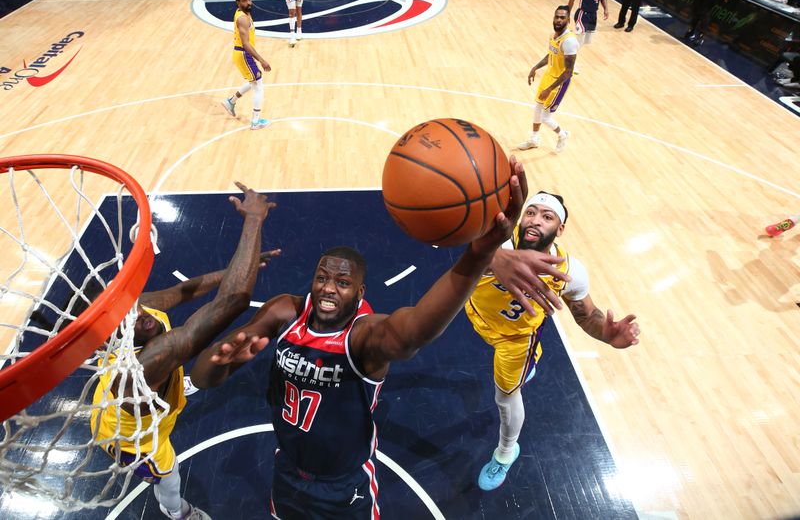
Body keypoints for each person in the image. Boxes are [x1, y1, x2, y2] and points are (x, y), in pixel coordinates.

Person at [191, 158, 571, 518]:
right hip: (287, 470)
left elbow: (416, 330)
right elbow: (206, 379)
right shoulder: (283, 312)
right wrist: (220, 363)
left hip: (343, 486)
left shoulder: (365, 336)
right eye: (323, 278)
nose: (328, 289)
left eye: (342, 283)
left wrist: (478, 255)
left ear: (360, 294)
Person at [91, 183, 276, 520]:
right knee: (169, 474)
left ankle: (176, 388)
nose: (139, 314)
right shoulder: (146, 364)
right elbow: (233, 301)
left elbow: (182, 291)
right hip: (136, 440)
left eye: (129, 306)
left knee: (173, 368)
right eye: (124, 320)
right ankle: (177, 512)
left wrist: (241, 264)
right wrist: (253, 221)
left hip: (148, 391)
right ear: (110, 340)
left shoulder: (139, 313)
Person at [465, 191, 641, 491]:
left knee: (505, 397)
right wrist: (493, 256)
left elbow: (587, 315)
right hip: (476, 314)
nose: (535, 221)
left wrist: (607, 334)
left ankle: (505, 453)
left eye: (547, 217)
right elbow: (463, 239)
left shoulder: (569, 271)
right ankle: (525, 371)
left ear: (560, 230)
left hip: (516, 340)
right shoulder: (497, 244)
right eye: (530, 213)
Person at [517, 6, 578, 154]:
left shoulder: (569, 41)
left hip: (560, 82)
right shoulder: (553, 35)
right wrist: (535, 67)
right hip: (549, 76)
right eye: (557, 16)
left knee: (545, 117)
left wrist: (549, 88)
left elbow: (569, 71)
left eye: (562, 17)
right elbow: (551, 54)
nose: (558, 19)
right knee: (537, 108)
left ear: (568, 20)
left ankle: (562, 135)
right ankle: (534, 139)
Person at [221, 0, 272, 129]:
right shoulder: (243, 18)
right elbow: (246, 44)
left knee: (254, 80)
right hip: (244, 54)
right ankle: (255, 122)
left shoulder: (244, 12)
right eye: (244, 0)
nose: (248, 2)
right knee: (258, 85)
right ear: (238, 3)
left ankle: (231, 101)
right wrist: (262, 60)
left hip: (242, 53)